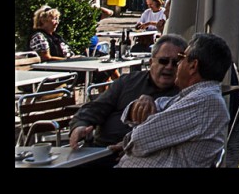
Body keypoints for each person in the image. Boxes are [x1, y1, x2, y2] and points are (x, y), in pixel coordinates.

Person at [115, 32, 233, 167]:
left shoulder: (206, 100)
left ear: (193, 66)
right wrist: (141, 104)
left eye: (181, 58)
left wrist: (129, 141)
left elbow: (138, 140)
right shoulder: (194, 95)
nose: (176, 65)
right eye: (164, 61)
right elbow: (155, 107)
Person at [69, 34, 187, 163]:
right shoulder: (128, 81)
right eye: (163, 61)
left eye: (176, 63)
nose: (169, 67)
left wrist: (132, 146)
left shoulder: (185, 94)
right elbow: (96, 107)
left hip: (145, 159)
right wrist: (80, 125)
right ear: (151, 62)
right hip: (100, 152)